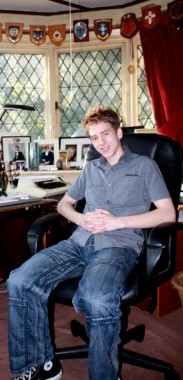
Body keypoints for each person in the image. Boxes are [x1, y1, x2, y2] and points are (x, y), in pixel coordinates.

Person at [7, 106, 176, 380]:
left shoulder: (145, 166)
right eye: (94, 137)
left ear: (119, 132)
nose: (101, 143)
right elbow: (64, 204)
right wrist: (80, 219)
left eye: (106, 134)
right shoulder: (92, 168)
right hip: (79, 242)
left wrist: (117, 222)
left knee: (96, 298)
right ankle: (41, 365)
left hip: (118, 245)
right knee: (19, 280)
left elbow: (167, 213)